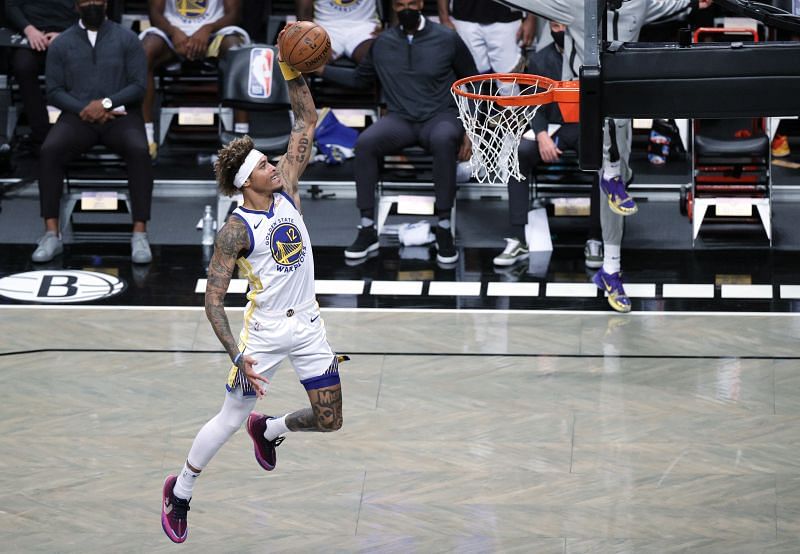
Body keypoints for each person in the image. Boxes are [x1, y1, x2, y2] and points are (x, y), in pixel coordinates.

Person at [161, 26, 343, 543]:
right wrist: (234, 356)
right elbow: (212, 299)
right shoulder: (235, 230)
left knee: (330, 419)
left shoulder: (288, 188)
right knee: (225, 417)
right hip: (261, 336)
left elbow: (306, 120)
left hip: (308, 325)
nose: (273, 163)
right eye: (263, 164)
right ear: (247, 182)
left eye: (271, 160)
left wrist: (290, 68)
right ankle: (181, 491)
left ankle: (271, 429)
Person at [497, 0, 711, 312]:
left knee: (616, 184)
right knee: (607, 157)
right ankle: (611, 176)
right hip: (577, 103)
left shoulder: (641, 3)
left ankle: (610, 268)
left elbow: (676, 3)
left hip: (620, 101)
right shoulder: (575, 5)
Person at [320, 0, 478, 264]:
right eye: (401, 4)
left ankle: (443, 227)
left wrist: (470, 129)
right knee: (366, 142)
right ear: (393, 7)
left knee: (443, 139)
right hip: (401, 119)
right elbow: (360, 79)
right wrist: (321, 70)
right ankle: (368, 227)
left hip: (440, 117)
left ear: (421, 4)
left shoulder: (447, 38)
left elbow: (471, 81)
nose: (407, 8)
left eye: (412, 3)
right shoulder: (382, 43)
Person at [33, 0, 154, 264]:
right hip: (78, 118)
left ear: (107, 4)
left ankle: (140, 233)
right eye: (87, 1)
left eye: (97, 0)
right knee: (49, 150)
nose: (93, 5)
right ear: (77, 6)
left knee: (139, 150)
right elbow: (53, 90)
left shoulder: (128, 38)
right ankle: (51, 233)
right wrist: (84, 109)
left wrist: (105, 104)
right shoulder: (62, 43)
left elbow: (138, 86)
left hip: (120, 116)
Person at [492, 20, 603, 270]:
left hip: (585, 128)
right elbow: (534, 104)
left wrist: (560, 138)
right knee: (519, 153)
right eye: (555, 26)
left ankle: (596, 237)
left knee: (601, 159)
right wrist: (541, 135)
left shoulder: (595, 59)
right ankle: (518, 238)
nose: (561, 31)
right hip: (550, 129)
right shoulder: (540, 60)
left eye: (566, 26)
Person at [140, 0, 251, 159]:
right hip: (172, 34)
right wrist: (173, 31)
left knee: (238, 53)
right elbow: (154, 13)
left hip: (215, 33)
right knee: (144, 52)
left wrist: (208, 28)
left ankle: (243, 141)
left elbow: (234, 14)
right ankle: (147, 139)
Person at [5, 0, 78, 156]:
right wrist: (29, 30)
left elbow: (95, 8)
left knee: (80, 66)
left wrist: (68, 34)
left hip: (69, 32)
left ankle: (73, 134)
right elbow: (10, 6)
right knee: (22, 66)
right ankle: (42, 136)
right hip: (29, 34)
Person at [437, 0, 535, 74]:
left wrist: (531, 17)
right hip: (464, 15)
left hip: (507, 15)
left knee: (509, 81)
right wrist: (444, 17)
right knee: (468, 79)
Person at [295, 0, 382, 64]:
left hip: (365, 28)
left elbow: (395, 4)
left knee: (380, 56)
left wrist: (392, 31)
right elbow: (304, 13)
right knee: (302, 56)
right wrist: (308, 34)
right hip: (325, 27)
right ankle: (302, 89)